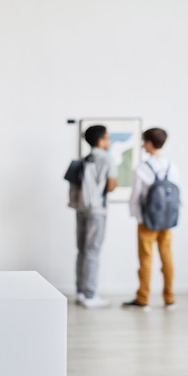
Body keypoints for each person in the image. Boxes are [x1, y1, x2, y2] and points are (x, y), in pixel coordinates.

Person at [123, 128, 179, 311]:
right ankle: (169, 298)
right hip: (167, 220)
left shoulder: (142, 168)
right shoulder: (172, 166)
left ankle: (143, 298)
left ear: (148, 143)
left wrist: (137, 217)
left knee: (146, 260)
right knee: (167, 258)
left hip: (147, 221)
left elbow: (135, 198)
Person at [74, 125, 118, 308]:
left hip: (81, 209)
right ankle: (91, 295)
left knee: (82, 250)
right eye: (107, 137)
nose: (109, 141)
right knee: (93, 251)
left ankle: (81, 292)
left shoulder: (85, 158)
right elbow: (111, 186)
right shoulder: (107, 158)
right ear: (101, 140)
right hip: (97, 211)